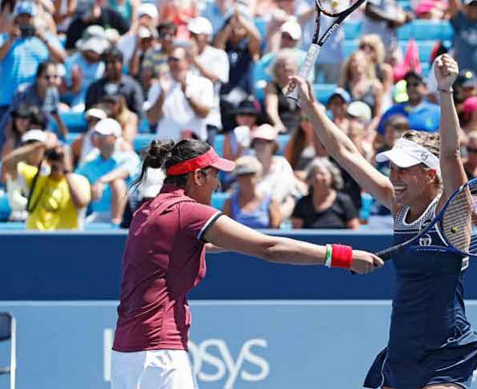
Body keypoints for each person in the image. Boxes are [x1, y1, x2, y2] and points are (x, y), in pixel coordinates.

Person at [111, 139, 382, 389]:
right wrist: (343, 257)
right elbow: (270, 248)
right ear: (197, 176)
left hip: (125, 354)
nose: (218, 184)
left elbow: (211, 244)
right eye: (215, 174)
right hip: (159, 355)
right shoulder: (188, 211)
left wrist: (243, 243)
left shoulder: (149, 209)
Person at [289, 54, 477, 389]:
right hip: (401, 350)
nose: (394, 177)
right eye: (391, 168)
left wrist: (445, 91)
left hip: (446, 353)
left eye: (404, 170)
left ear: (429, 174)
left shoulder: (452, 212)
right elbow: (345, 153)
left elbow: (450, 154)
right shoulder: (397, 205)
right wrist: (309, 104)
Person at [0, 0, 66, 153]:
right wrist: (10, 40)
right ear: (15, 19)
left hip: (37, 103)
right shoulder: (4, 39)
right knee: (7, 139)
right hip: (9, 102)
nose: (24, 21)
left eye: (28, 18)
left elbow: (62, 59)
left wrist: (43, 38)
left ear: (34, 19)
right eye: (21, 18)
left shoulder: (44, 39)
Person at [0, 135, 91, 230]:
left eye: (60, 157)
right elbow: (8, 163)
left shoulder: (79, 180)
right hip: (36, 239)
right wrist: (41, 146)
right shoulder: (36, 177)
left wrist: (66, 170)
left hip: (64, 240)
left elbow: (81, 203)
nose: (57, 161)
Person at [76, 118, 140, 225]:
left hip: (128, 218)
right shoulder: (90, 163)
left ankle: (116, 223)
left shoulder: (130, 157)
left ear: (115, 138)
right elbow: (76, 178)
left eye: (104, 136)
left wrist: (101, 181)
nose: (99, 140)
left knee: (118, 183)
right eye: (97, 135)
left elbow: (124, 171)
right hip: (96, 215)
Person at [146, 47, 213, 141]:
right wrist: (162, 94)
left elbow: (204, 113)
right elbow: (152, 119)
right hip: (167, 146)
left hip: (194, 146)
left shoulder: (203, 84)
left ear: (188, 61)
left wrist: (187, 93)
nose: (172, 63)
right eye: (169, 59)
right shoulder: (158, 85)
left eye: (176, 59)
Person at [187, 16, 229, 141]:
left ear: (206, 36)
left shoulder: (218, 55)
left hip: (209, 116)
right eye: (191, 34)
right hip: (185, 116)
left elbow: (214, 78)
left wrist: (194, 60)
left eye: (196, 35)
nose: (192, 38)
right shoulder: (183, 55)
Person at [291, 158, 360, 230]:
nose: (318, 177)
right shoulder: (303, 203)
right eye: (314, 174)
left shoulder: (344, 201)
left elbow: (354, 228)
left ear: (332, 177)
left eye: (322, 174)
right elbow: (296, 231)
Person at [86, 47, 146, 122]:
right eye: (107, 63)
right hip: (100, 127)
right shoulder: (95, 87)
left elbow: (139, 113)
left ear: (121, 64)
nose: (110, 66)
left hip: (125, 126)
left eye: (113, 62)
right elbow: (88, 112)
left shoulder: (132, 86)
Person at [222, 155, 281, 229]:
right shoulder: (229, 202)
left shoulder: (271, 201)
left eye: (250, 174)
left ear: (258, 175)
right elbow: (225, 229)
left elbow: (276, 230)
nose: (246, 179)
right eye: (241, 175)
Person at [339, 50, 384, 125]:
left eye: (360, 61)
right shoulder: (343, 86)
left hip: (369, 126)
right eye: (354, 61)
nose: (357, 64)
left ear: (367, 63)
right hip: (348, 126)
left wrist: (369, 131)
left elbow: (377, 116)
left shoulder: (376, 86)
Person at [264, 50, 300, 133]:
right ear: (277, 69)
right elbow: (271, 110)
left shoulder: (300, 86)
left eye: (289, 67)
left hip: (297, 125)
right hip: (279, 125)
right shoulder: (272, 86)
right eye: (283, 66)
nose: (286, 68)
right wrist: (278, 124)